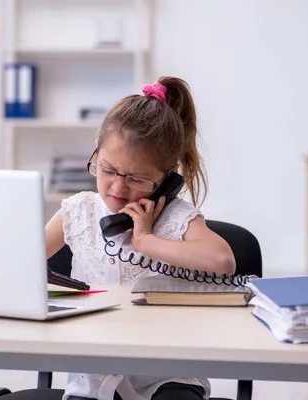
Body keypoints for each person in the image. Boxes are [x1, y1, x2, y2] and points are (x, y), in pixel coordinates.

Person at [45, 76, 236, 400]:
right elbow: (18, 259)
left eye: (136, 179)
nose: (118, 189)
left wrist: (146, 241)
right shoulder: (78, 211)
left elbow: (223, 262)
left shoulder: (176, 218)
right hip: (94, 373)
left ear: (167, 177)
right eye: (107, 170)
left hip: (167, 372)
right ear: (96, 151)